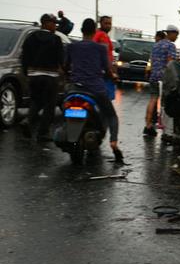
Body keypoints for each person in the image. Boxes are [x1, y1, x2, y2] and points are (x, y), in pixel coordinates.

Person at [65, 18, 123, 162]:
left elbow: (65, 66)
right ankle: (114, 144)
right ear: (94, 31)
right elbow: (107, 69)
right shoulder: (100, 48)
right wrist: (113, 76)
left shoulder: (72, 47)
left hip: (74, 88)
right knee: (111, 116)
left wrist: (70, 76)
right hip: (95, 89)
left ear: (81, 31)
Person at [19, 13, 64, 141]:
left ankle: (27, 120)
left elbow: (24, 57)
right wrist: (63, 71)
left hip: (33, 76)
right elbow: (61, 59)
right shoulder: (56, 39)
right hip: (50, 76)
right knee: (50, 104)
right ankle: (43, 133)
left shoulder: (31, 37)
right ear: (45, 23)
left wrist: (26, 73)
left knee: (36, 101)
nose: (55, 26)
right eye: (53, 23)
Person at [144, 24, 179, 136]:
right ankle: (166, 130)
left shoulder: (156, 45)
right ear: (171, 33)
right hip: (164, 79)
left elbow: (152, 61)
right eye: (176, 35)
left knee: (153, 100)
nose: (176, 37)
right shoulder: (170, 46)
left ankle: (148, 125)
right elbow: (170, 63)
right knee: (165, 103)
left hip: (154, 76)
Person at [93, 15, 118, 100]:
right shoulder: (102, 35)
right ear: (101, 23)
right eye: (106, 23)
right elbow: (105, 55)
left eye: (110, 24)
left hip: (98, 70)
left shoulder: (97, 33)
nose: (108, 26)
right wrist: (111, 73)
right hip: (104, 72)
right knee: (106, 99)